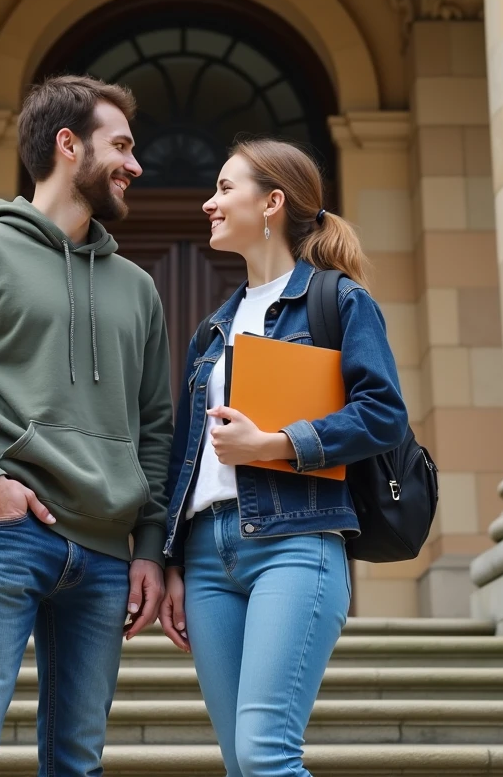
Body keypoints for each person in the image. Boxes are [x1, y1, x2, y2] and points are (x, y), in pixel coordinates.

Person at [0, 74, 172, 777]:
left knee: (78, 763)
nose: (135, 166)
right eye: (122, 147)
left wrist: (150, 548)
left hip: (106, 555)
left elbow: (158, 427)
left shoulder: (138, 288)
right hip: (2, 535)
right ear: (67, 145)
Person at [158, 138, 409, 777]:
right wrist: (173, 563)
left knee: (268, 753)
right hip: (209, 555)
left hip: (296, 541)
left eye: (224, 188)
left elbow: (383, 414)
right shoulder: (212, 329)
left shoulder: (339, 301)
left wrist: (277, 445)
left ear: (271, 202)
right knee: (241, 762)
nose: (209, 203)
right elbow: (187, 455)